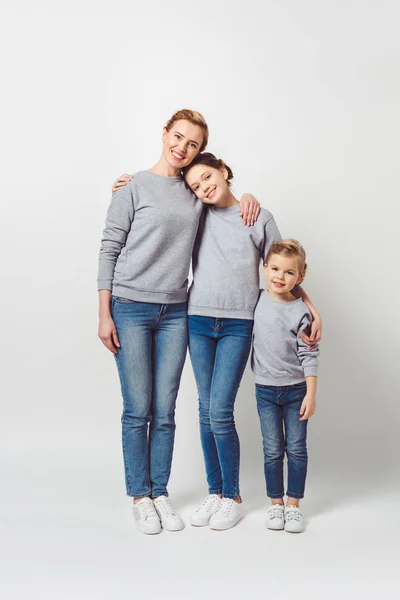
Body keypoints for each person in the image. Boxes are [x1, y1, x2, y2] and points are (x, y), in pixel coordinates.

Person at [98, 109, 260, 535]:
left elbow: (223, 200)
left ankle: (160, 493)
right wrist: (104, 313)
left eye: (192, 144)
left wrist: (248, 197)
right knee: (138, 409)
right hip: (129, 307)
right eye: (178, 137)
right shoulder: (133, 186)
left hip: (176, 312)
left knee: (165, 410)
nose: (182, 147)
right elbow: (109, 249)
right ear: (165, 133)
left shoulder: (194, 189)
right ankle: (140, 496)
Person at [179, 155, 321, 531]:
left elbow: (283, 267)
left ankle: (233, 498)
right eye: (195, 184)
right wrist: (128, 185)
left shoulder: (257, 216)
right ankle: (216, 490)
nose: (203, 187)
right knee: (205, 409)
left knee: (220, 410)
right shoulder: (196, 212)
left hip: (239, 323)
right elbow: (162, 205)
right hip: (198, 319)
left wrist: (311, 307)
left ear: (224, 171)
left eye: (208, 177)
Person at [251, 239, 319, 533]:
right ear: (265, 269)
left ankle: (293, 505)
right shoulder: (256, 300)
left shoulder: (301, 312)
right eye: (275, 269)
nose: (280, 276)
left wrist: (311, 394)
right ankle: (275, 503)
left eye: (289, 273)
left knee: (297, 449)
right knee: (272, 450)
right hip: (265, 391)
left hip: (295, 392)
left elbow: (310, 354)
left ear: (300, 277)